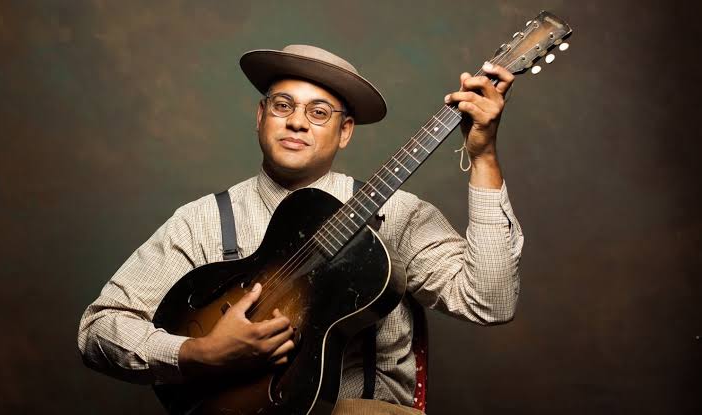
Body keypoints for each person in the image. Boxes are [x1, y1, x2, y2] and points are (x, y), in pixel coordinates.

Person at [78, 44, 523, 414]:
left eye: (319, 112)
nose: (296, 122)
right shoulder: (203, 220)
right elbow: (98, 329)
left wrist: (483, 157)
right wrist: (198, 354)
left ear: (345, 131)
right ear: (261, 115)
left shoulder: (397, 214)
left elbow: (491, 301)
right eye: (283, 105)